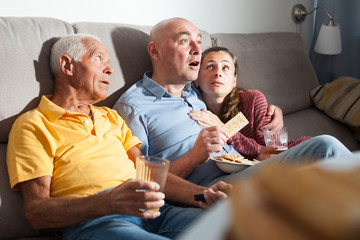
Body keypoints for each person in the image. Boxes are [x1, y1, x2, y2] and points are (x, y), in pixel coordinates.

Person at [6, 34, 231, 240]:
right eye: (99, 60)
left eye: (110, 63)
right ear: (67, 65)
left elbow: (149, 175)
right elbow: (37, 212)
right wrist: (110, 202)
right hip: (97, 222)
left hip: (156, 212)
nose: (110, 70)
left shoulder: (110, 117)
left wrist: (205, 195)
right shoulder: (33, 124)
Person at [113, 17, 352, 187]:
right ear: (154, 52)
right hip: (213, 187)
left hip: (247, 166)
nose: (198, 49)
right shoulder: (134, 106)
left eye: (199, 41)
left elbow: (237, 100)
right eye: (185, 41)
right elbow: (141, 178)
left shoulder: (193, 93)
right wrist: (193, 158)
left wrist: (276, 110)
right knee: (325, 147)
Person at [189, 46, 311, 160]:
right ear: (197, 79)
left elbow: (270, 152)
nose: (218, 73)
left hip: (289, 156)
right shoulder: (191, 104)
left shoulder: (253, 100)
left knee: (325, 143)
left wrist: (223, 129)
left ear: (234, 81)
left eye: (225, 67)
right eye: (210, 66)